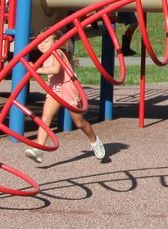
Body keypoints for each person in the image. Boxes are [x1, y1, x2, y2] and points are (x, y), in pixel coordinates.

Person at [23, 28, 108, 166]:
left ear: (56, 42)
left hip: (68, 89)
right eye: (40, 41)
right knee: (45, 118)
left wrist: (35, 70)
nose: (42, 44)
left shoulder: (58, 53)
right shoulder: (45, 56)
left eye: (46, 41)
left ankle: (94, 141)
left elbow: (55, 69)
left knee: (80, 123)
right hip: (55, 90)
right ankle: (39, 149)